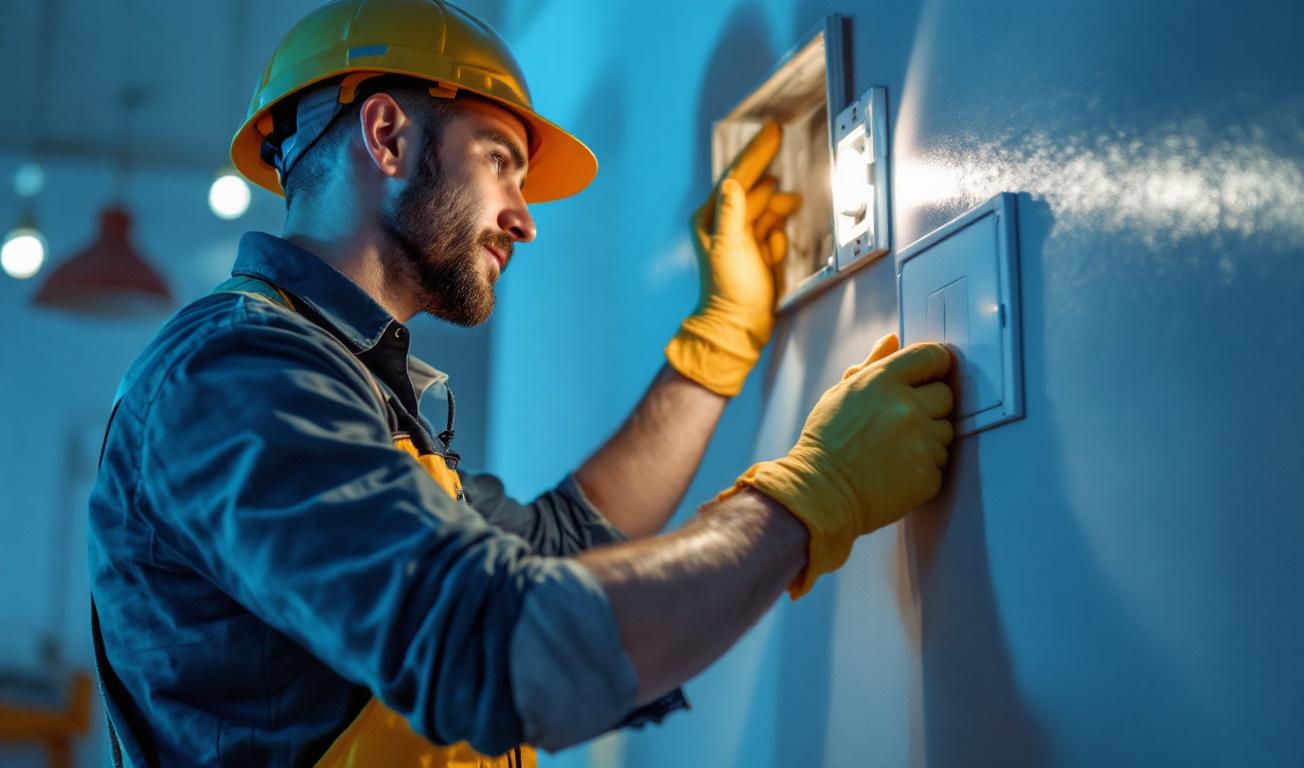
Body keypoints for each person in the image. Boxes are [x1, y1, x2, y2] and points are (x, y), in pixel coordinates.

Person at [88, 1, 956, 765]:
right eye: (501, 160)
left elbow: (561, 548)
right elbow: (503, 643)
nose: (524, 217)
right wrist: (810, 501)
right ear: (387, 135)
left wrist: (719, 338)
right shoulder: (236, 380)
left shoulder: (346, 382)